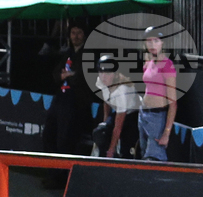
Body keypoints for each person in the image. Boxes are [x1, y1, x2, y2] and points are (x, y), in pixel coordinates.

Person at [43, 24, 92, 155]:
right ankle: (52, 168)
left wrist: (70, 75)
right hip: (60, 98)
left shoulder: (88, 54)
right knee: (49, 132)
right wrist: (64, 75)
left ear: (84, 35)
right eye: (73, 33)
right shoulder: (67, 53)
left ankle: (63, 171)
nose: (75, 36)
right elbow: (56, 74)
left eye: (79, 33)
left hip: (75, 101)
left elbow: (86, 77)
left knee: (65, 138)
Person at [139, 26, 177, 161]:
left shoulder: (167, 65)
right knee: (143, 155)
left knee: (153, 159)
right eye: (149, 41)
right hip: (143, 114)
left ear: (162, 43)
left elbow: (173, 103)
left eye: (156, 41)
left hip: (157, 116)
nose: (152, 45)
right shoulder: (148, 62)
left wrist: (166, 132)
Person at [94, 55, 141, 158]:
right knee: (102, 132)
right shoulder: (101, 82)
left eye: (108, 73)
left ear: (115, 74)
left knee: (125, 145)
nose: (103, 77)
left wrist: (111, 150)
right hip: (116, 110)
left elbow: (118, 126)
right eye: (101, 73)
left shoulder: (121, 92)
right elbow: (106, 100)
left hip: (132, 115)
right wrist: (105, 123)